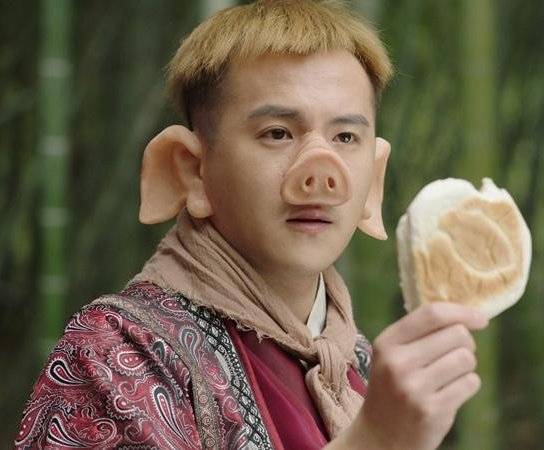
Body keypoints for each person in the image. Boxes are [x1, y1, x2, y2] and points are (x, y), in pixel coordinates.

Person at [15, 1, 489, 449]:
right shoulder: (113, 353)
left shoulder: (361, 365)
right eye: (277, 133)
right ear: (191, 170)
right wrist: (373, 439)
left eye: (346, 137)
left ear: (373, 179)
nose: (322, 175)